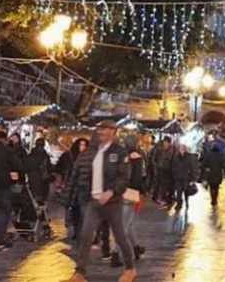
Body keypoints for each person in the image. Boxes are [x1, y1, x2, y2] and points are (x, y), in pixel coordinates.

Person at [65, 121, 136, 282]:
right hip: (94, 201)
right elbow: (85, 173)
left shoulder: (119, 152)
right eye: (99, 129)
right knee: (86, 236)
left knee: (120, 236)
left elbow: (124, 177)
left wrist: (111, 192)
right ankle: (80, 273)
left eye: (104, 129)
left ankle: (130, 269)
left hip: (112, 202)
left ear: (113, 131)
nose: (101, 132)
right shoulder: (94, 151)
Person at [110, 135, 146, 268]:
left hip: (119, 192)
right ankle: (115, 254)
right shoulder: (137, 158)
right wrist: (142, 192)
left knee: (129, 223)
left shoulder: (121, 156)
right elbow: (138, 179)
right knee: (124, 226)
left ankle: (136, 248)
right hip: (131, 193)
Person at [171, 143, 199, 211]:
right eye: (181, 149)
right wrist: (174, 175)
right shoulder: (176, 157)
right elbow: (173, 166)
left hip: (186, 178)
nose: (182, 150)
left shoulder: (189, 157)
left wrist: (193, 178)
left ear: (186, 150)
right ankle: (179, 204)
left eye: (183, 149)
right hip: (178, 178)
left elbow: (193, 168)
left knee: (186, 191)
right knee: (179, 192)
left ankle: (186, 202)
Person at [24, 138, 52, 204]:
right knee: (41, 201)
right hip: (43, 181)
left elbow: (26, 168)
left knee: (33, 199)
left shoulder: (30, 155)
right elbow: (49, 168)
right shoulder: (45, 156)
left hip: (33, 181)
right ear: (44, 145)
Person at [203, 142, 225, 206]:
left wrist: (206, 168)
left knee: (211, 187)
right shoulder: (221, 155)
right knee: (216, 187)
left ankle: (212, 199)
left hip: (210, 173)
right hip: (218, 173)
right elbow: (224, 165)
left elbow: (204, 164)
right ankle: (215, 199)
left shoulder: (208, 155)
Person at [154, 136, 175, 207]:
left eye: (166, 142)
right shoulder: (161, 150)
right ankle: (162, 199)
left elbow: (172, 161)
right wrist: (156, 165)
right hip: (161, 170)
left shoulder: (171, 151)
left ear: (169, 143)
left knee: (166, 186)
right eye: (164, 142)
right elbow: (156, 158)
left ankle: (166, 200)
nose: (164, 143)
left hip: (168, 171)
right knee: (161, 185)